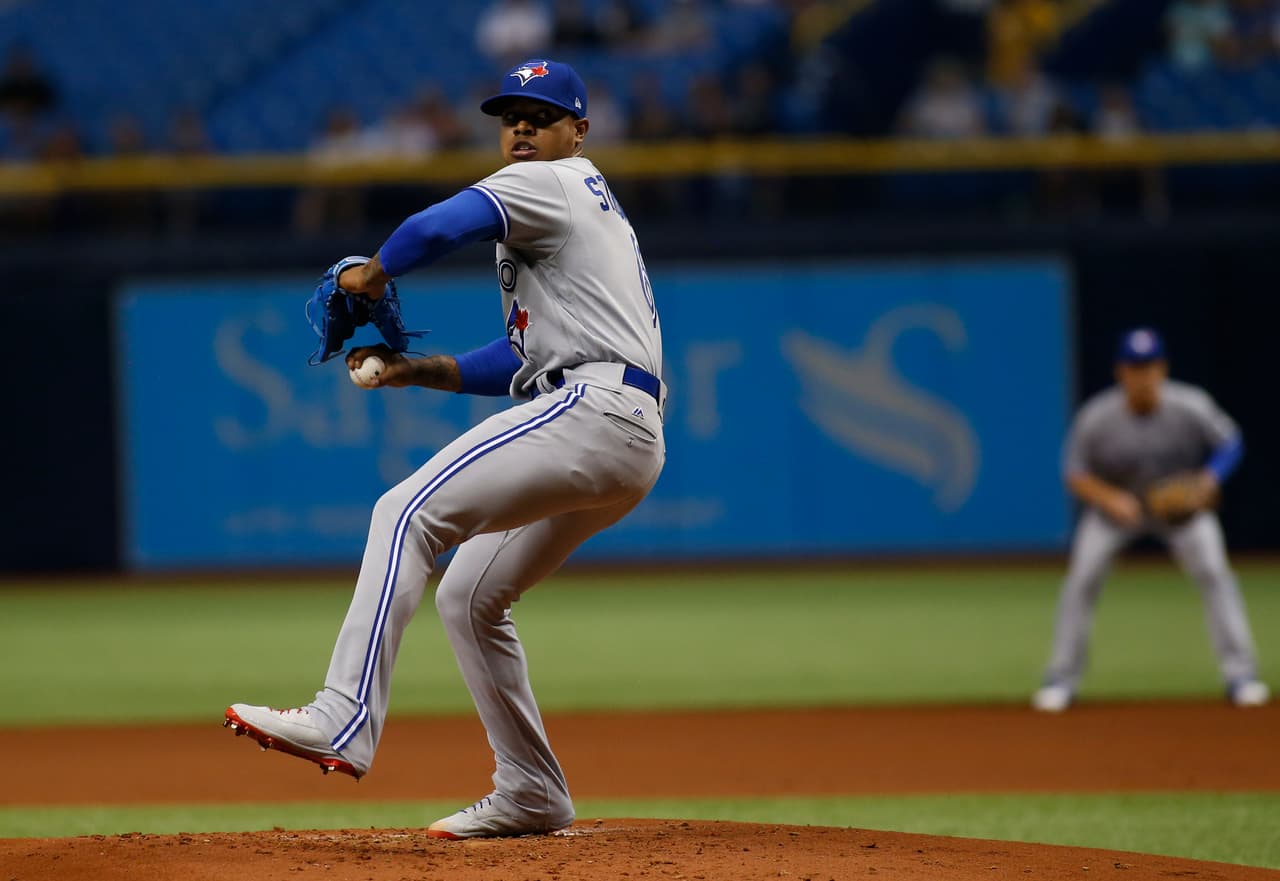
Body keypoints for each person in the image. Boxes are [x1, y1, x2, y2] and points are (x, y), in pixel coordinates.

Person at [224, 59, 666, 840]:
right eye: (510, 116)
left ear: (579, 131)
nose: (522, 127)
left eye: (541, 113)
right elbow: (521, 358)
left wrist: (370, 272)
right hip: (622, 428)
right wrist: (417, 371)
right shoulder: (576, 204)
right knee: (470, 594)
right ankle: (532, 789)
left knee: (404, 512)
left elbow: (435, 228)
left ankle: (341, 716)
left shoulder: (555, 182)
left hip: (594, 409)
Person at [1032, 328, 1269, 713]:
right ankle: (1061, 678)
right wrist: (1110, 498)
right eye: (1134, 367)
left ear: (1162, 369)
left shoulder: (1190, 405)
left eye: (1149, 366)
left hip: (1180, 512)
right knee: (1081, 580)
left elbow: (1230, 442)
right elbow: (1073, 471)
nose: (1142, 376)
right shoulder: (1098, 417)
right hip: (1116, 512)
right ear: (1120, 372)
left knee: (1214, 573)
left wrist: (1209, 478)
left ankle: (1240, 675)